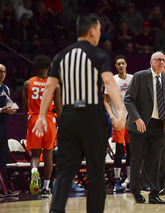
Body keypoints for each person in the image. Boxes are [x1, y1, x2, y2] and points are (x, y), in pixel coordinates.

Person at [32, 14, 126, 213]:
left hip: (68, 118)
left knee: (65, 170)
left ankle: (56, 210)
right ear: (92, 31)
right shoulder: (99, 55)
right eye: (99, 31)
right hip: (92, 117)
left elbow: (49, 86)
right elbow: (109, 82)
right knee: (96, 171)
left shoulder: (61, 55)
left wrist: (41, 116)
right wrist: (122, 111)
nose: (100, 35)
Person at [124, 51, 165, 204]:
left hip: (158, 125)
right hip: (139, 125)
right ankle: (136, 191)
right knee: (137, 159)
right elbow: (129, 100)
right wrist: (137, 118)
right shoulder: (140, 76)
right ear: (151, 62)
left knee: (155, 160)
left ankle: (154, 194)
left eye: (164, 60)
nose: (161, 62)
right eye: (158, 60)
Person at [22, 55, 62, 198]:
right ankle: (46, 188)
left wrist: (27, 122)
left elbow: (24, 107)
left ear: (35, 67)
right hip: (49, 120)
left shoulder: (27, 83)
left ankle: (34, 171)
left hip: (34, 119)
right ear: (48, 67)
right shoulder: (55, 85)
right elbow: (58, 108)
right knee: (49, 154)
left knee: (35, 155)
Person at [104, 55, 132, 192]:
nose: (121, 65)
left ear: (126, 64)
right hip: (118, 119)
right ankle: (117, 181)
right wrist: (112, 117)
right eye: (118, 64)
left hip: (131, 120)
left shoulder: (132, 79)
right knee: (119, 151)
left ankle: (130, 180)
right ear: (115, 66)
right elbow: (106, 101)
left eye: (123, 63)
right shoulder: (112, 81)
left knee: (131, 151)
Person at [0, 63, 19, 197]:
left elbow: (8, 103)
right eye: (0, 72)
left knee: (3, 157)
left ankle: (4, 187)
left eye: (4, 72)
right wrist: (1, 110)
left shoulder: (6, 88)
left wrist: (12, 108)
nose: (2, 74)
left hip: (2, 126)